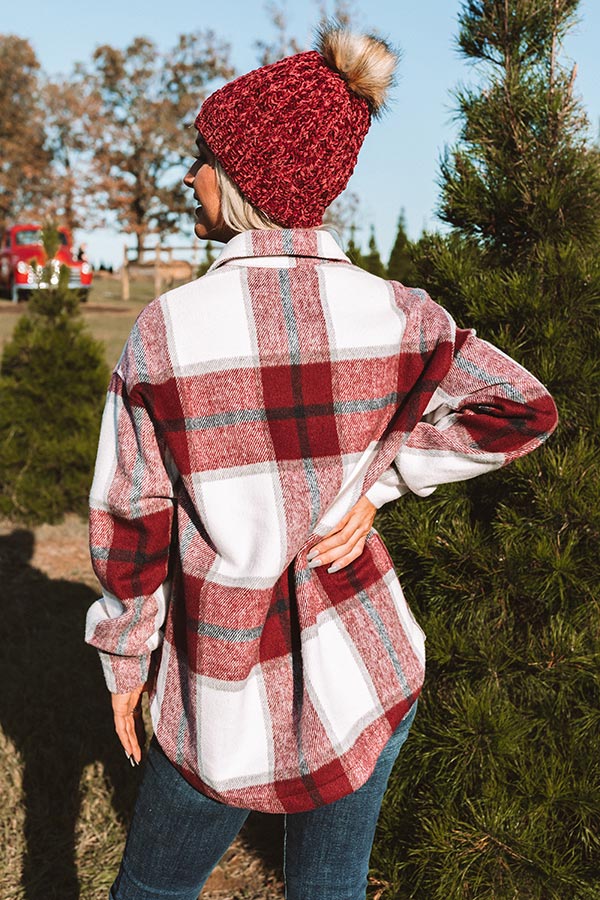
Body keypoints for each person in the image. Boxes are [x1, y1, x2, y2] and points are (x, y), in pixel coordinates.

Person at [85, 23, 558, 900]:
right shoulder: (399, 313)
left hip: (221, 688)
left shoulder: (166, 332)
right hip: (367, 665)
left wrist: (125, 657)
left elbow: (131, 520)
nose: (189, 176)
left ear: (241, 180)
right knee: (331, 889)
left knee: (152, 890)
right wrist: (385, 482)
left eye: (201, 157)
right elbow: (521, 408)